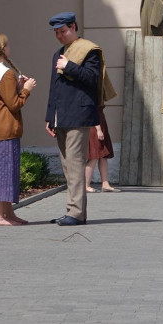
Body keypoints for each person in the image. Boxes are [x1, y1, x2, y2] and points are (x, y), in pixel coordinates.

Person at [45, 12, 105, 226]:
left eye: (62, 31)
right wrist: (49, 116)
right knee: (67, 166)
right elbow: (54, 88)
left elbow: (92, 79)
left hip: (78, 114)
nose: (59, 36)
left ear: (73, 27)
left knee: (75, 164)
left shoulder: (88, 50)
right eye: (56, 33)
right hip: (61, 116)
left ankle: (76, 213)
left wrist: (69, 66)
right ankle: (73, 211)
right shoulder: (58, 53)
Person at [0, 34, 37, 226]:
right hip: (6, 128)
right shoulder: (5, 73)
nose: (10, 48)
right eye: (8, 45)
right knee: (4, 173)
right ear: (2, 48)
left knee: (2, 172)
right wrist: (27, 89)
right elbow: (14, 104)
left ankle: (8, 213)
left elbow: (2, 99)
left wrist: (17, 87)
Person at [85, 106, 120, 193]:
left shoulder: (99, 94)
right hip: (95, 124)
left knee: (103, 155)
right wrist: (98, 129)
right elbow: (91, 109)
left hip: (100, 121)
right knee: (94, 155)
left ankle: (105, 184)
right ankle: (85, 185)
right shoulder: (92, 94)